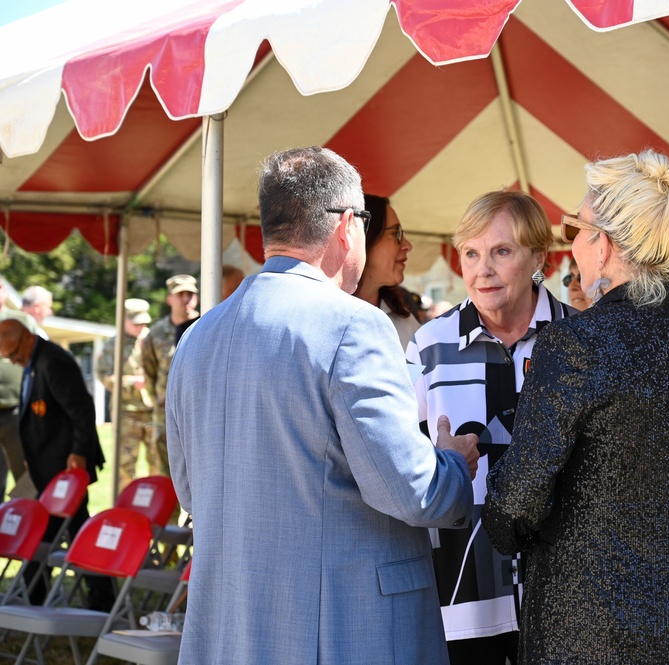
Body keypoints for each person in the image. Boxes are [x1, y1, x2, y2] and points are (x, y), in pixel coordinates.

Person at [166, 146, 478, 665]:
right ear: (346, 226)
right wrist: (451, 461)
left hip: (232, 631)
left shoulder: (197, 337)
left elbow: (191, 490)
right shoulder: (353, 325)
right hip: (346, 633)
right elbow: (413, 492)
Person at [482, 149, 669, 663]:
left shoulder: (576, 345)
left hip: (589, 636)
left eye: (575, 231)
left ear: (606, 244)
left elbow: (515, 507)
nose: (571, 248)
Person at [405, 190, 574, 664]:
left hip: (568, 595)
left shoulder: (581, 341)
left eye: (501, 251)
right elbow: (396, 465)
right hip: (462, 595)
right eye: (472, 254)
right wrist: (434, 462)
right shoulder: (429, 347)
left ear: (539, 256)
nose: (483, 270)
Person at [0, 318, 115, 610]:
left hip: (65, 471)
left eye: (14, 354)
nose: (13, 361)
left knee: (60, 533)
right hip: (48, 471)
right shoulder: (32, 361)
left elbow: (82, 409)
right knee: (55, 533)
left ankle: (42, 598)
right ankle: (38, 597)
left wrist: (79, 453)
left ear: (26, 338)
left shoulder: (52, 361)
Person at [141, 274, 198, 478]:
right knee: (165, 473)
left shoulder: (205, 326)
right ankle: (170, 511)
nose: (186, 299)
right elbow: (149, 372)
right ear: (169, 299)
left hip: (196, 412)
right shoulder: (155, 334)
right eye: (180, 294)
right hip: (164, 414)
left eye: (190, 294)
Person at [96, 298, 154, 489]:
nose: (141, 327)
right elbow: (104, 376)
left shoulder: (152, 340)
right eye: (136, 323)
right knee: (125, 466)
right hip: (126, 411)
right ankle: (126, 511)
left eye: (144, 323)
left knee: (160, 463)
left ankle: (161, 510)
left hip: (153, 410)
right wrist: (129, 382)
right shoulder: (112, 345)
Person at [351, 193, 421, 347]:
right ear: (365, 237)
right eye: (395, 233)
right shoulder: (323, 316)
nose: (407, 245)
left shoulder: (404, 320)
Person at [0, 276, 37, 497]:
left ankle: (30, 526)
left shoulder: (22, 321)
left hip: (18, 412)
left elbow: (39, 360)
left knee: (26, 477)